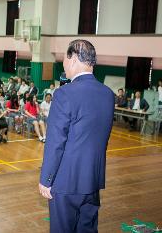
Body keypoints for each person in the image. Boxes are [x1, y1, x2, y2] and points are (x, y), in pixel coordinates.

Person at [39, 39, 115, 233]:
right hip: (92, 180)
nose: (63, 64)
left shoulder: (64, 93)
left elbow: (56, 141)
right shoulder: (107, 94)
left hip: (66, 182)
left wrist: (46, 179)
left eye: (64, 59)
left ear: (73, 59)